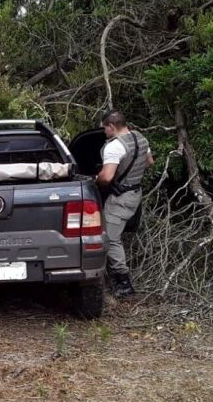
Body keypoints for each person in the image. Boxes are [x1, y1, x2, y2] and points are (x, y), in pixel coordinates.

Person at [96, 110, 154, 298]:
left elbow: (106, 177)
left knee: (111, 238)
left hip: (120, 199)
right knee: (117, 234)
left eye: (105, 128)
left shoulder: (114, 147)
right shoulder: (140, 138)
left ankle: (123, 283)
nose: (104, 132)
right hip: (135, 193)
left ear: (111, 126)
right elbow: (149, 162)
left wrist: (94, 179)